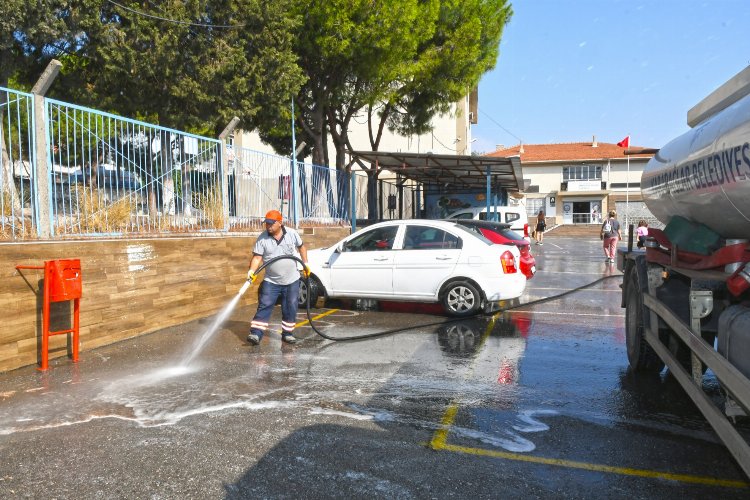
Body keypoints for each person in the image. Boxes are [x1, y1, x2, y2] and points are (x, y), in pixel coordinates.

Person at [246, 210, 309, 345]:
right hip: (271, 281)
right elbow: (257, 257)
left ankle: (287, 333)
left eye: (270, 224)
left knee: (290, 306)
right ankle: (256, 334)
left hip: (292, 280)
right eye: (266, 224)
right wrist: (251, 271)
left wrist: (306, 264)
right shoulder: (262, 238)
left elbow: (302, 248)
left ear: (279, 223)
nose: (268, 226)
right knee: (265, 305)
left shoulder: (292, 234)